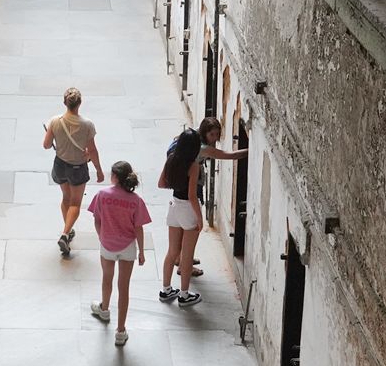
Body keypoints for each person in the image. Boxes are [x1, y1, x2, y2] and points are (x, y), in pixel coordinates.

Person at [156, 118, 245, 306]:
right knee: (187, 256)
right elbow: (192, 196)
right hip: (187, 209)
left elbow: (161, 183)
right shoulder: (194, 166)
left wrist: (177, 183)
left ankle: (165, 290)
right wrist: (199, 218)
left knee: (172, 252)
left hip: (174, 206)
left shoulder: (172, 160)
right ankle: (184, 295)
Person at [88, 161, 152, 346]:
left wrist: (102, 237)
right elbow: (138, 227)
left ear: (114, 177)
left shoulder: (102, 195)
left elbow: (97, 220)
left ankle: (104, 309)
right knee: (124, 287)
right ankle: (121, 331)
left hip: (107, 245)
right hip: (128, 247)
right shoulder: (136, 200)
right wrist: (141, 251)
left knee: (107, 279)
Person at [42, 88, 102, 256]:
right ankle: (65, 232)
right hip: (78, 167)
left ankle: (67, 230)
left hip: (60, 165)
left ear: (65, 103)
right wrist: (99, 170)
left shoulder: (55, 121)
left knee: (66, 198)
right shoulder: (87, 125)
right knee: (75, 202)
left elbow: (46, 145)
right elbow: (92, 150)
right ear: (80, 103)